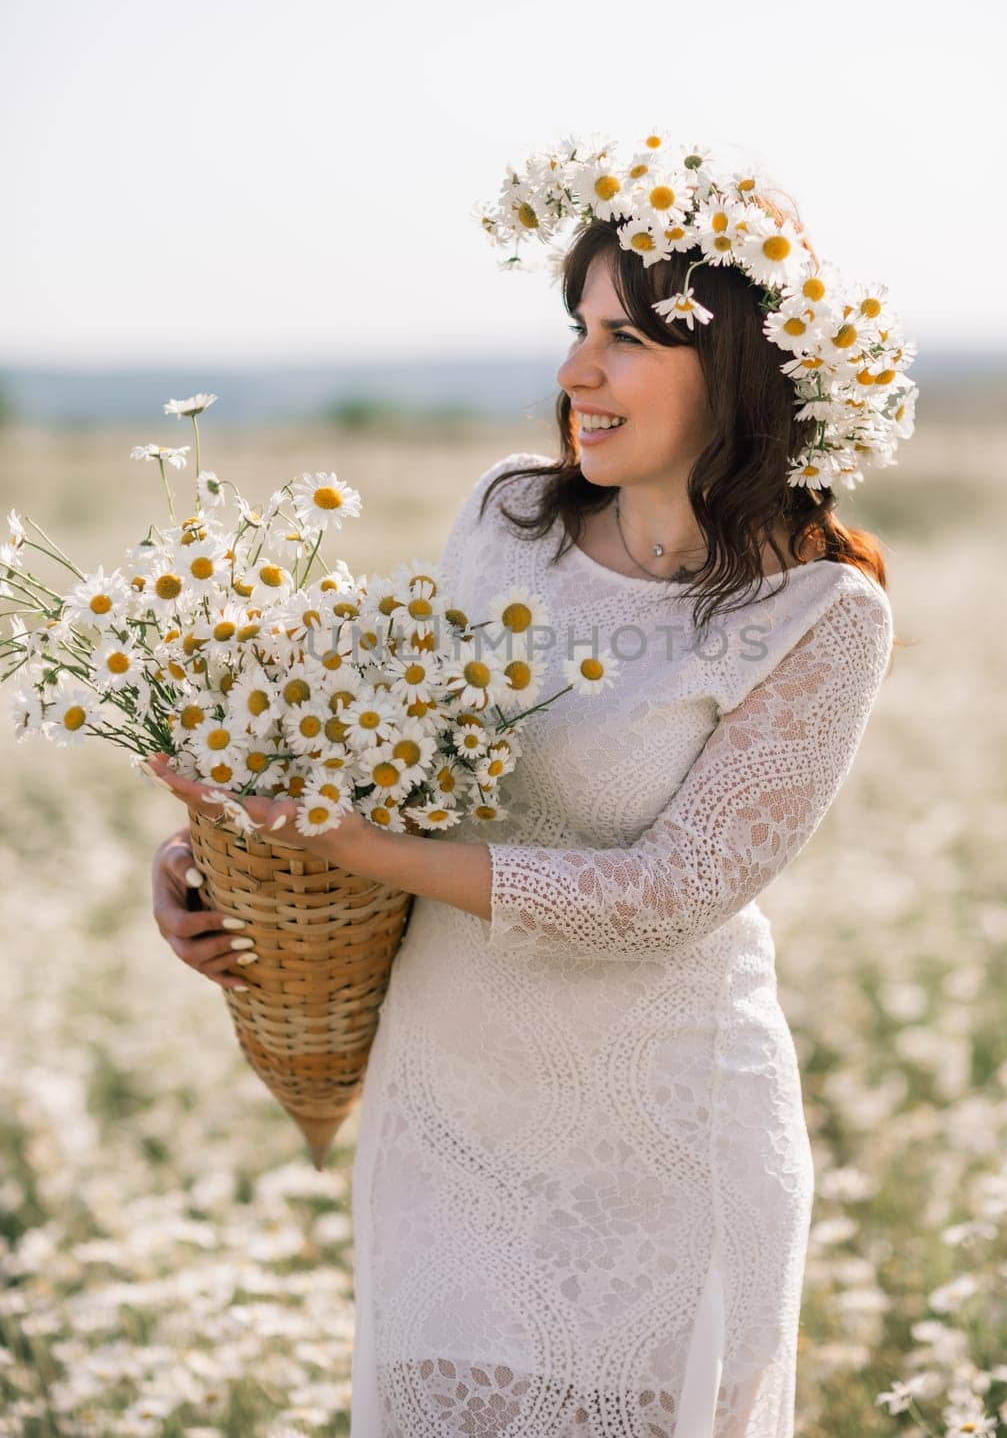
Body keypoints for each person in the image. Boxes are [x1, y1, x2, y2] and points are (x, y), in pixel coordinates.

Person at [152, 188, 901, 1436]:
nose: (573, 369)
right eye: (575, 325)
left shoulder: (819, 616)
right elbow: (395, 760)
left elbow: (665, 899)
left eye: (625, 338)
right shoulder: (506, 516)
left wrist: (355, 845)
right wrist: (223, 856)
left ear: (739, 370)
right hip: (444, 1110)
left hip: (658, 1148)